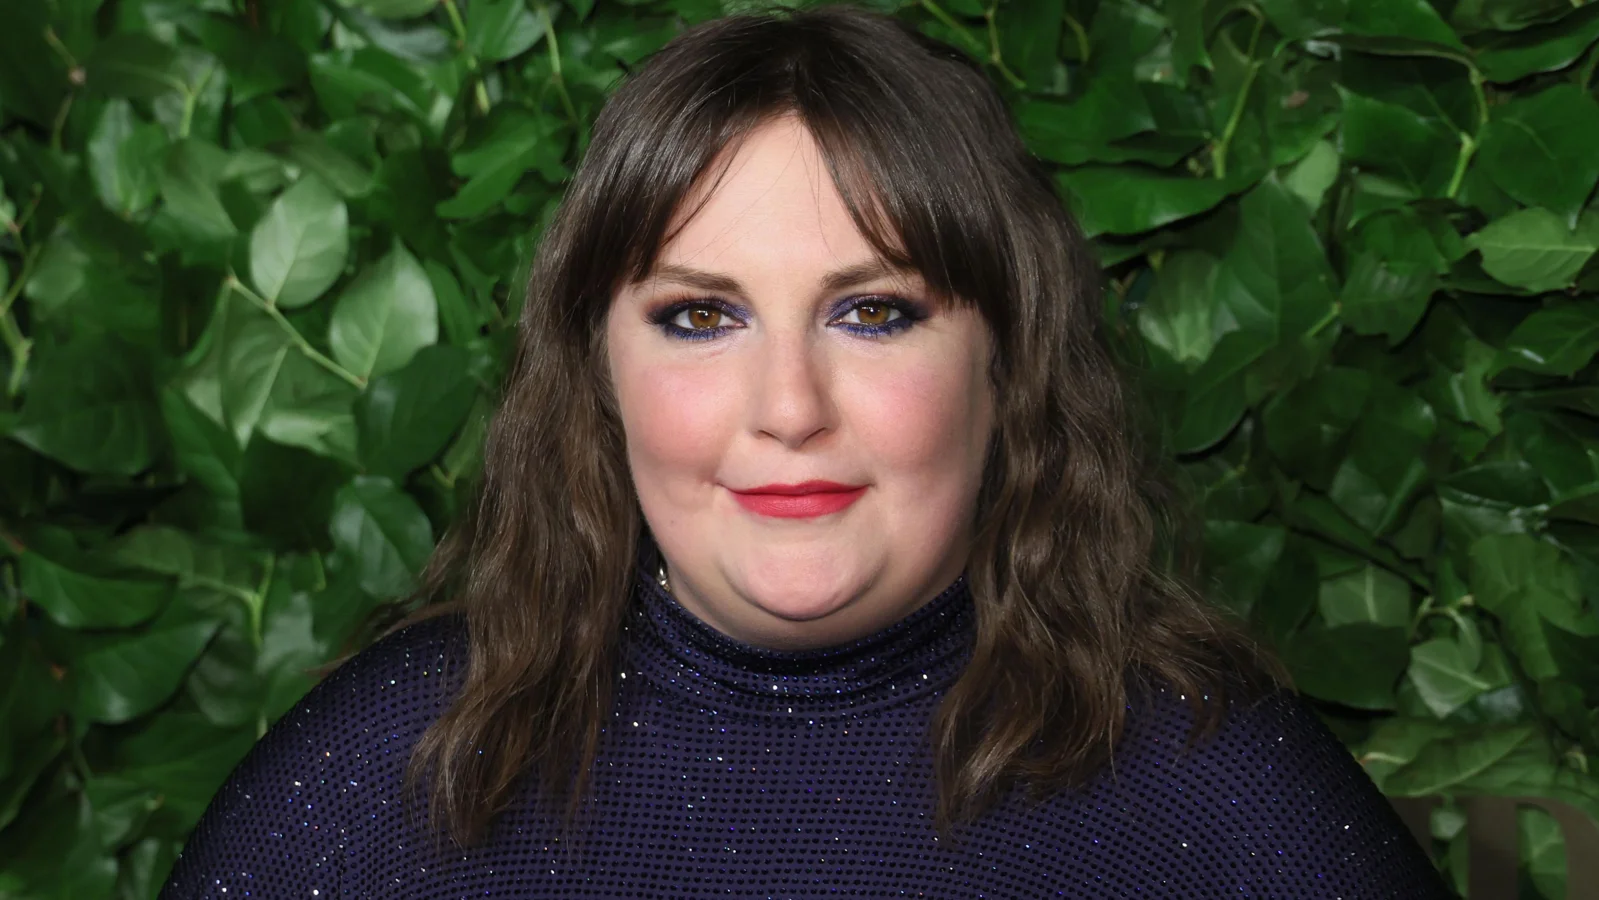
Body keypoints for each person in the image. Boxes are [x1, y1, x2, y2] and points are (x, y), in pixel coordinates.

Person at [158, 3, 1453, 897]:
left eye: (872, 313)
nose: (788, 406)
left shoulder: (1224, 795)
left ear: (1007, 363)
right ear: (598, 373)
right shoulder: (376, 779)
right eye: (700, 317)